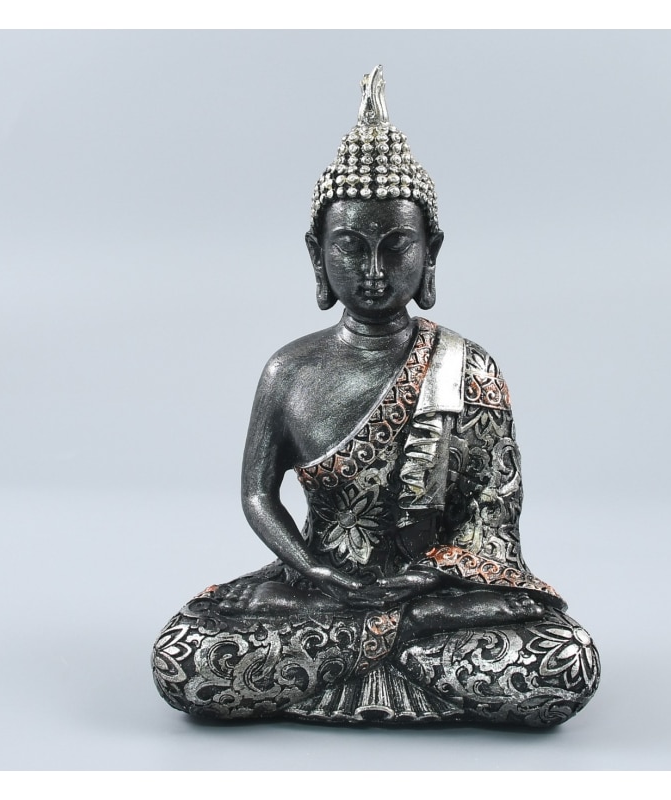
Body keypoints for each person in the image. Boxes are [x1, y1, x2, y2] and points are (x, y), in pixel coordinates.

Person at [152, 67, 599, 726]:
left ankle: (354, 651)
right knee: (184, 655)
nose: (372, 271)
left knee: (563, 661)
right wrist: (316, 573)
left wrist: (424, 585)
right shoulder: (288, 371)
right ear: (316, 255)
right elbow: (256, 494)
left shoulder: (469, 369)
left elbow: (491, 521)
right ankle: (393, 650)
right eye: (350, 247)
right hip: (320, 588)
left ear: (431, 252)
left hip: (436, 598)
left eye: (396, 248)